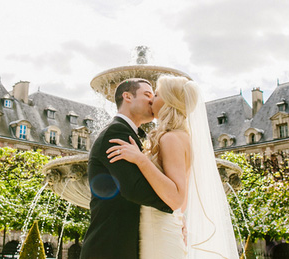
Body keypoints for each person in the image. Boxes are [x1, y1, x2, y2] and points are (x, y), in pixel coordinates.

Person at [107, 75, 239, 259]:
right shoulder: (178, 135)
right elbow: (182, 203)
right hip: (161, 227)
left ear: (170, 101)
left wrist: (141, 159)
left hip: (158, 232)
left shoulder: (170, 138)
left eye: (157, 94)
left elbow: (177, 198)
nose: (152, 99)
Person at [80, 78, 172, 259]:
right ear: (127, 96)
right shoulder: (116, 132)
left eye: (153, 96)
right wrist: (173, 204)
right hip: (109, 248)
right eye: (147, 95)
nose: (152, 100)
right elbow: (134, 189)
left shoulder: (130, 134)